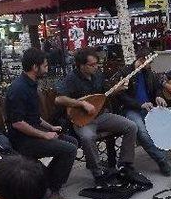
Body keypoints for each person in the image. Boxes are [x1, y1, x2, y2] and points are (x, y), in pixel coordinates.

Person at [5, 48, 78, 199]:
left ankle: (44, 182)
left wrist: (50, 127)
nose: (47, 68)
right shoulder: (18, 89)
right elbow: (17, 123)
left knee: (72, 142)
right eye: (44, 65)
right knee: (69, 149)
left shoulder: (30, 84)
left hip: (33, 134)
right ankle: (53, 190)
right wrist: (44, 135)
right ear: (34, 67)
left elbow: (33, 117)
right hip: (22, 140)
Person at [54, 48, 138, 183]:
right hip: (82, 120)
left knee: (131, 126)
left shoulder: (98, 74)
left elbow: (105, 94)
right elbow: (59, 99)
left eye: (96, 64)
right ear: (81, 65)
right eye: (92, 65)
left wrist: (118, 89)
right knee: (87, 137)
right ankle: (98, 174)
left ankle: (125, 164)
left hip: (101, 116)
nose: (96, 67)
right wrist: (82, 104)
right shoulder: (71, 78)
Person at [114, 48, 171, 177]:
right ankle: (161, 160)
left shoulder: (148, 72)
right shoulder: (125, 72)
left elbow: (157, 88)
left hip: (150, 108)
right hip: (132, 110)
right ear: (142, 60)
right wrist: (140, 104)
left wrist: (158, 96)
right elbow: (121, 96)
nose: (151, 65)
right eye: (149, 62)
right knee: (141, 131)